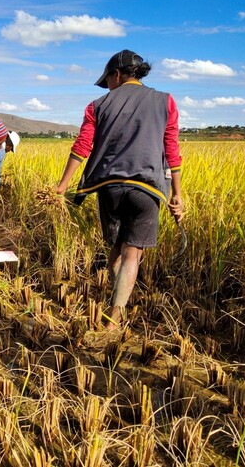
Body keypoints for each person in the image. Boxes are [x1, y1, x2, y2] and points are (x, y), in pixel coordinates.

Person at [54, 49, 184, 330]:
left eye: (108, 81)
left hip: (107, 187)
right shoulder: (166, 101)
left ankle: (117, 303)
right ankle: (115, 315)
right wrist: (177, 195)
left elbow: (82, 146)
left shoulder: (97, 105)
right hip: (147, 189)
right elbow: (171, 149)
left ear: (116, 74)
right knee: (132, 252)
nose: (108, 87)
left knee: (116, 247)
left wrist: (62, 186)